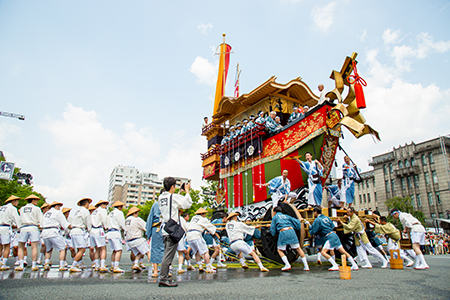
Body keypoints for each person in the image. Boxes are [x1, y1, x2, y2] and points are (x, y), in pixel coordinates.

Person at [158, 177, 193, 288]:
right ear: (172, 186)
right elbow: (187, 204)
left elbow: (172, 204)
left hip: (165, 228)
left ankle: (166, 277)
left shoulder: (161, 197)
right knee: (168, 257)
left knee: (167, 254)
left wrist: (179, 192)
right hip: (172, 229)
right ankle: (163, 278)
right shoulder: (173, 197)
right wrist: (187, 191)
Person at [270, 206, 309, 271]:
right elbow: (296, 221)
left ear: (275, 212)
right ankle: (306, 266)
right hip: (291, 231)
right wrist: (301, 220)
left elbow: (272, 228)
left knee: (280, 250)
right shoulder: (287, 216)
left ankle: (287, 264)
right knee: (298, 249)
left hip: (283, 232)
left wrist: (273, 232)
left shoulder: (275, 217)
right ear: (281, 211)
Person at [41, 201, 72, 271]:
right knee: (62, 248)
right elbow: (64, 224)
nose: (59, 208)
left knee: (48, 249)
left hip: (45, 232)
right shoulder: (58, 212)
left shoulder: (46, 213)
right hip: (53, 231)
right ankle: (61, 265)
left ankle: (46, 263)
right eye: (59, 206)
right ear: (56, 206)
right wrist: (73, 227)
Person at [185, 208, 218, 273]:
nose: (205, 215)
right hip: (196, 234)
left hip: (188, 235)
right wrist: (215, 232)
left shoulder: (193, 218)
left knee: (196, 251)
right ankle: (208, 267)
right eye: (204, 214)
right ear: (201, 214)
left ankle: (200, 265)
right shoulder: (203, 219)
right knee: (205, 251)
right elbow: (210, 227)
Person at [16, 194, 43, 271]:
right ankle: (34, 265)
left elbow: (19, 219)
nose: (37, 201)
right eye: (36, 200)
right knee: (34, 247)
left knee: (21, 247)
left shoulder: (22, 208)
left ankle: (21, 264)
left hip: (24, 227)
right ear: (33, 200)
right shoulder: (36, 209)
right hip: (33, 227)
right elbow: (40, 220)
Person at [68, 198, 92, 272]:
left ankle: (79, 263)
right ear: (87, 204)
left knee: (79, 249)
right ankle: (74, 265)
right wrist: (90, 230)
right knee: (82, 249)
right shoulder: (85, 211)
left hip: (73, 230)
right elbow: (88, 223)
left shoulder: (77, 211)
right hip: (79, 230)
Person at [125, 206, 149, 272]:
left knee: (138, 252)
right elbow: (145, 227)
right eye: (137, 213)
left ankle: (135, 263)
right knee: (147, 251)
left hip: (129, 239)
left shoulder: (127, 220)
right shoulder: (137, 219)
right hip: (137, 239)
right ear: (134, 213)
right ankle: (154, 267)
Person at [0, 195, 21, 271]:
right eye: (17, 201)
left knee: (0, 246)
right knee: (6, 246)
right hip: (5, 227)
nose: (17, 203)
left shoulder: (2, 207)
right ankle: (4, 264)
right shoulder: (12, 208)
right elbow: (17, 219)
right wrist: (20, 227)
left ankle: (0, 262)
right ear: (13, 201)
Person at [146, 200, 164, 277]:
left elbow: (150, 218)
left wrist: (148, 233)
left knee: (155, 248)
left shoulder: (155, 204)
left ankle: (155, 270)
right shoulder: (170, 202)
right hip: (165, 228)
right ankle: (166, 270)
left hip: (156, 227)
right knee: (167, 249)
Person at [107, 200, 126, 273]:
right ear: (120, 207)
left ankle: (112, 265)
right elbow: (122, 223)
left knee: (114, 251)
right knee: (119, 250)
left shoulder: (110, 214)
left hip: (109, 232)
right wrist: (125, 229)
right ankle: (116, 266)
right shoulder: (119, 213)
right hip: (115, 232)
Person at [90, 200, 109, 272]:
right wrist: (106, 227)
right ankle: (102, 265)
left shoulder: (94, 212)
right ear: (102, 205)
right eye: (105, 204)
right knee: (103, 248)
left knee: (97, 249)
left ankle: (97, 265)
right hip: (99, 229)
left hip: (92, 230)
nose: (105, 206)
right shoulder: (102, 210)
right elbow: (104, 220)